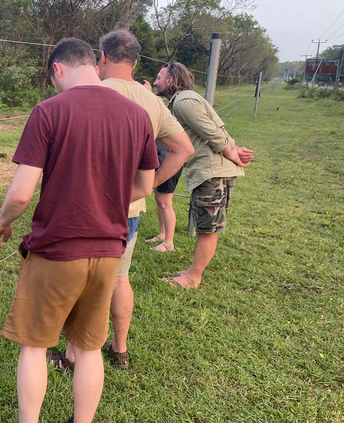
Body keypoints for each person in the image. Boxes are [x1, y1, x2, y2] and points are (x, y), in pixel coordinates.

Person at [0, 38, 158, 423]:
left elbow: (20, 194)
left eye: (53, 79)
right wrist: (106, 198)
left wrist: (2, 224)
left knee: (34, 345)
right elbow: (144, 186)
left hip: (57, 250)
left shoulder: (49, 111)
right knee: (89, 346)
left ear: (58, 69)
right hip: (110, 250)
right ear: (93, 64)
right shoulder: (137, 115)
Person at [51, 30, 194, 371]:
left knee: (83, 282)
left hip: (89, 207)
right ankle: (120, 351)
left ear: (101, 57)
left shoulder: (92, 91)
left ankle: (73, 356)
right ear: (135, 61)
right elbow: (184, 149)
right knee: (118, 278)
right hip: (130, 210)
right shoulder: (153, 102)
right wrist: (149, 185)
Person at [152, 61, 254, 288]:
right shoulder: (184, 100)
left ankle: (192, 277)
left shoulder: (184, 100)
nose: (156, 81)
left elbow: (211, 132)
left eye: (159, 77)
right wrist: (234, 149)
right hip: (210, 170)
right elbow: (216, 130)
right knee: (206, 224)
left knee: (208, 227)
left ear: (170, 80)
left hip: (212, 172)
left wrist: (233, 154)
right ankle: (191, 271)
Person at [145, 139, 184, 252]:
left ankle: (169, 243)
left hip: (167, 160)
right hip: (159, 155)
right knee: (159, 199)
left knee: (165, 202)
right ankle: (162, 234)